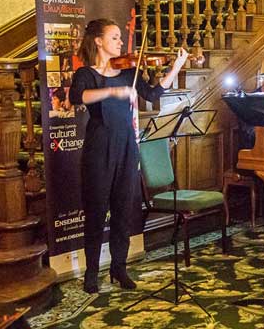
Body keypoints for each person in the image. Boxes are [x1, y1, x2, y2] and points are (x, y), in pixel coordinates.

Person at [68, 18, 188, 294]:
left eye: (120, 38)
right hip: (99, 147)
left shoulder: (128, 70)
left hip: (126, 146)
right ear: (98, 41)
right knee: (96, 211)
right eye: (114, 38)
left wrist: (177, 66)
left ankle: (119, 268)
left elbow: (153, 93)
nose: (121, 43)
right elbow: (77, 96)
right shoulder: (86, 74)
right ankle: (91, 272)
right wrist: (112, 91)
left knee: (123, 210)